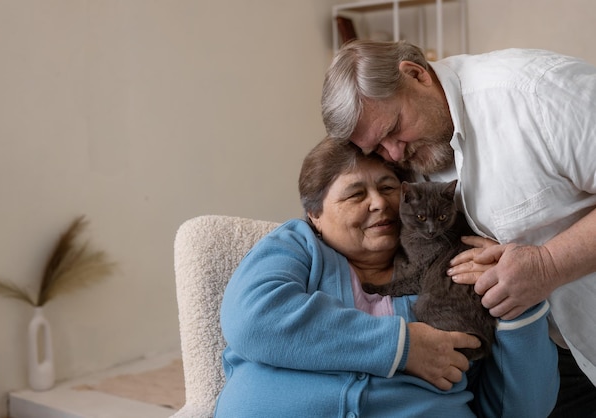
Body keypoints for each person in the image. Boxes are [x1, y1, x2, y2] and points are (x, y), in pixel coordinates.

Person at [321, 39, 596, 416]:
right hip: (552, 359)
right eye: (379, 149)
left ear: (415, 75)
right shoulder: (412, 154)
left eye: (395, 129)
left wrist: (547, 264)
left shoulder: (533, 93)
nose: (396, 154)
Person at [214, 137, 558, 417]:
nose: (379, 203)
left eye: (389, 188)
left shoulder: (455, 268)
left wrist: (518, 299)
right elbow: (252, 319)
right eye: (355, 194)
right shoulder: (296, 246)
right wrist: (402, 347)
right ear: (314, 214)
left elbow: (522, 410)